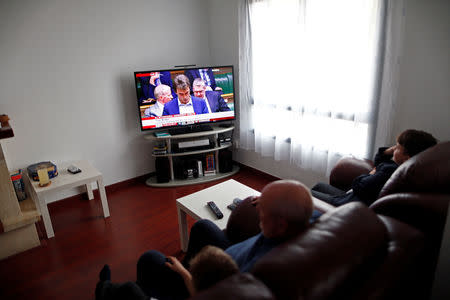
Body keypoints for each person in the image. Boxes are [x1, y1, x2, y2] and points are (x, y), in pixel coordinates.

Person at [311, 129, 438, 207]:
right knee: (319, 186)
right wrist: (387, 152)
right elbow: (379, 164)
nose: (394, 148)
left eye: (397, 147)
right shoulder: (403, 169)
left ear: (407, 157)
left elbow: (359, 185)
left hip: (348, 205)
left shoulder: (390, 172)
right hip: (351, 197)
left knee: (306, 193)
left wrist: (370, 174)